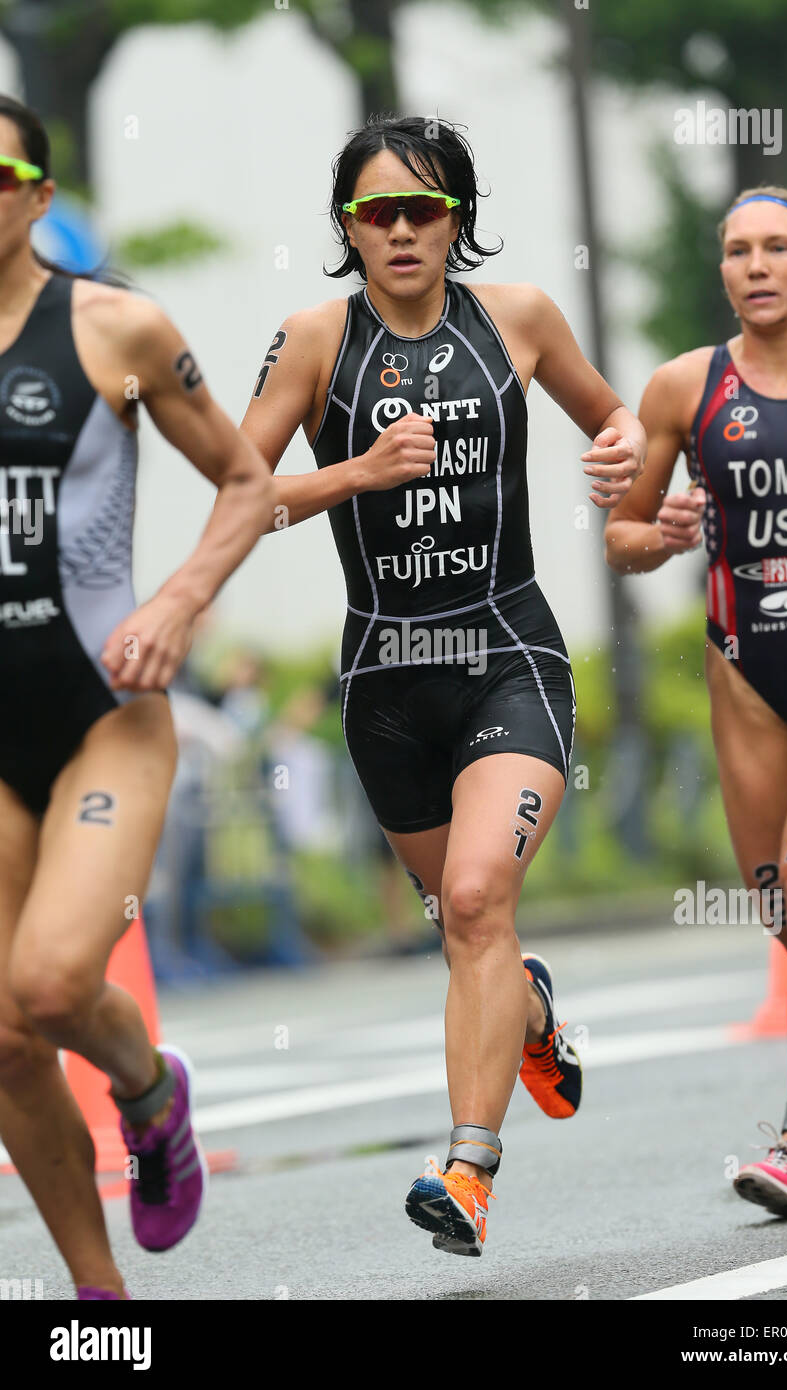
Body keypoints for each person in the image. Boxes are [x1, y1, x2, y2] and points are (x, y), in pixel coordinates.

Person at [241, 115, 645, 1254]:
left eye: (426, 209)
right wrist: (357, 472)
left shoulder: (515, 318)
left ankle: (466, 1170)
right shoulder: (315, 341)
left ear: (458, 219)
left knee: (472, 901)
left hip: (507, 657)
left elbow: (614, 420)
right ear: (346, 227)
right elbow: (243, 495)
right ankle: (529, 1011)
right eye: (378, 211)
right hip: (383, 684)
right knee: (467, 928)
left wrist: (619, 454)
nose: (403, 230)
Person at [0, 96, 274, 1297]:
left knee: (53, 986)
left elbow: (248, 477)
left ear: (38, 198)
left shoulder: (116, 330)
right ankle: (97, 1300)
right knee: (5, 1037)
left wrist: (174, 606)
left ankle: (151, 1092)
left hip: (104, 714)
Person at [605, 185, 787, 1218]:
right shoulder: (682, 388)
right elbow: (621, 534)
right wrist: (654, 534)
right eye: (733, 250)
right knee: (779, 906)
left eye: (774, 249)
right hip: (742, 668)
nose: (752, 267)